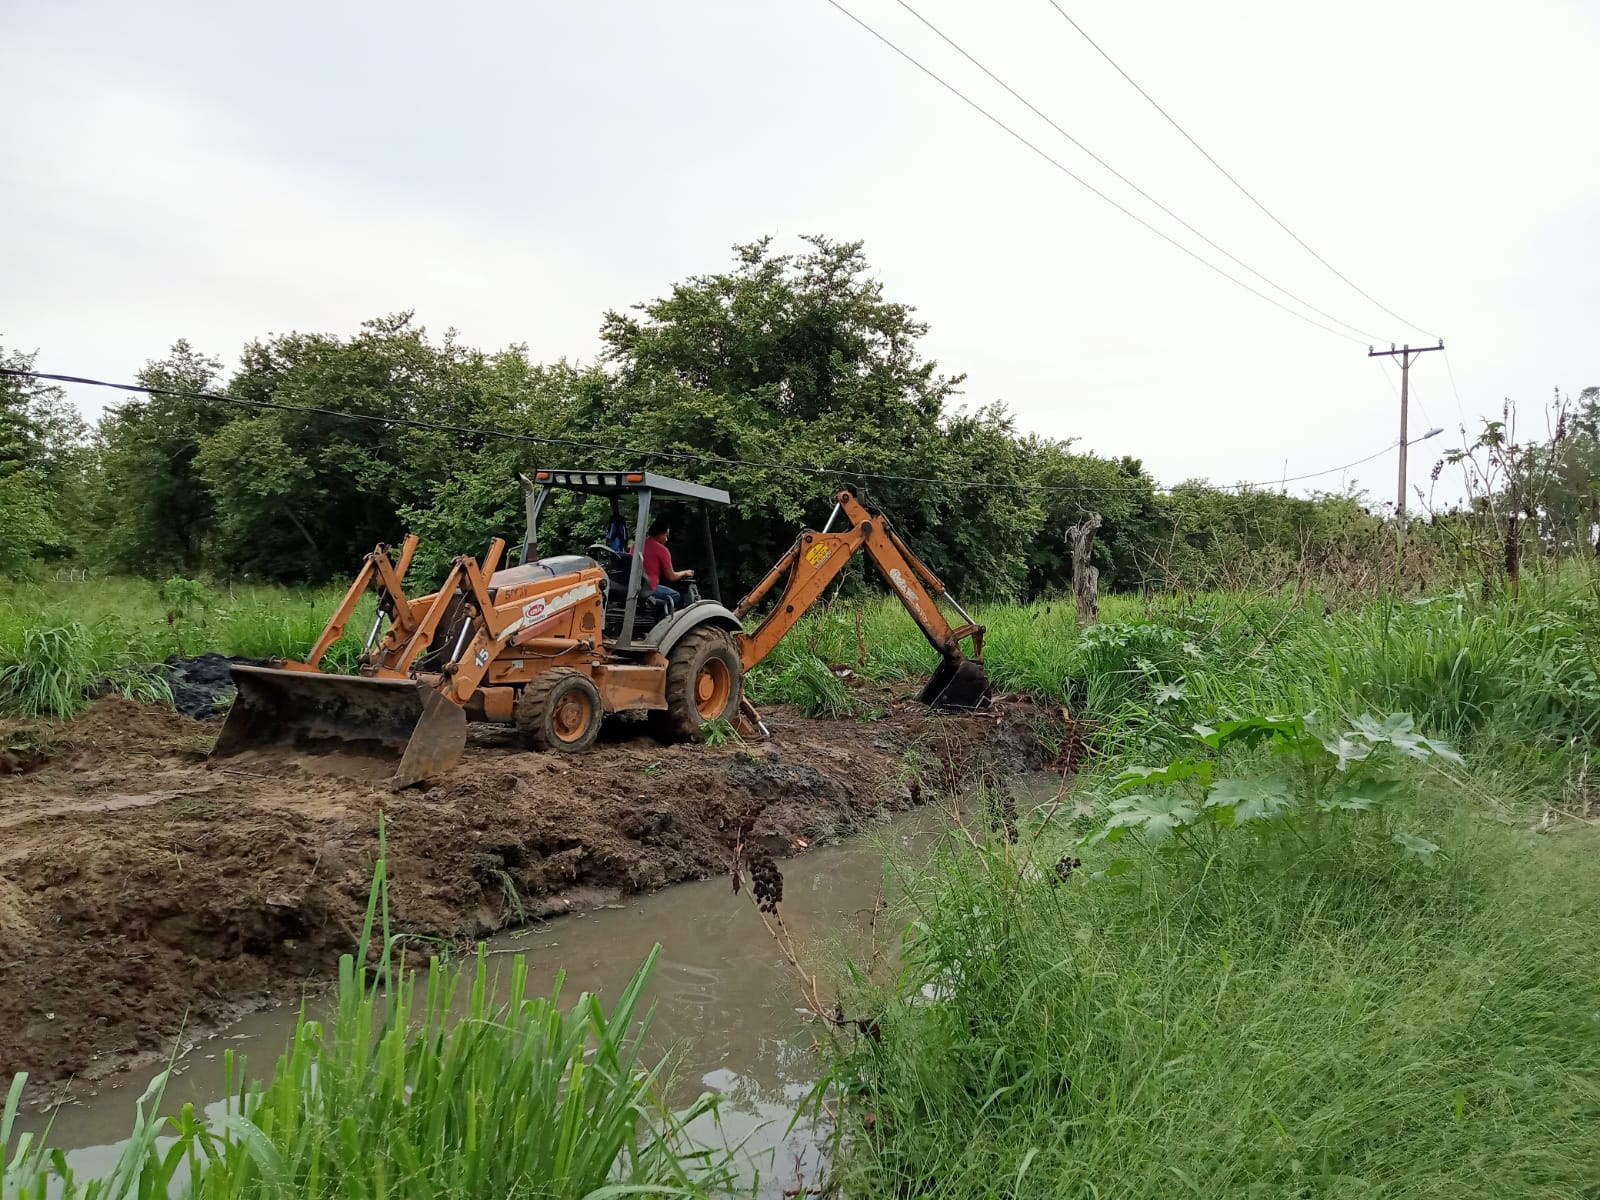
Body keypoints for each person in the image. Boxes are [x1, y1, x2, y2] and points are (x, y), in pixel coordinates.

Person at [641, 519, 694, 615]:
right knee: (675, 596)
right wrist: (685, 572)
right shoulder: (662, 550)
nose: (666, 539)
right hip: (649, 587)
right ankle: (662, 619)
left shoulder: (638, 545)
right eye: (666, 535)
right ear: (660, 534)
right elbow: (671, 577)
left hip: (636, 585)